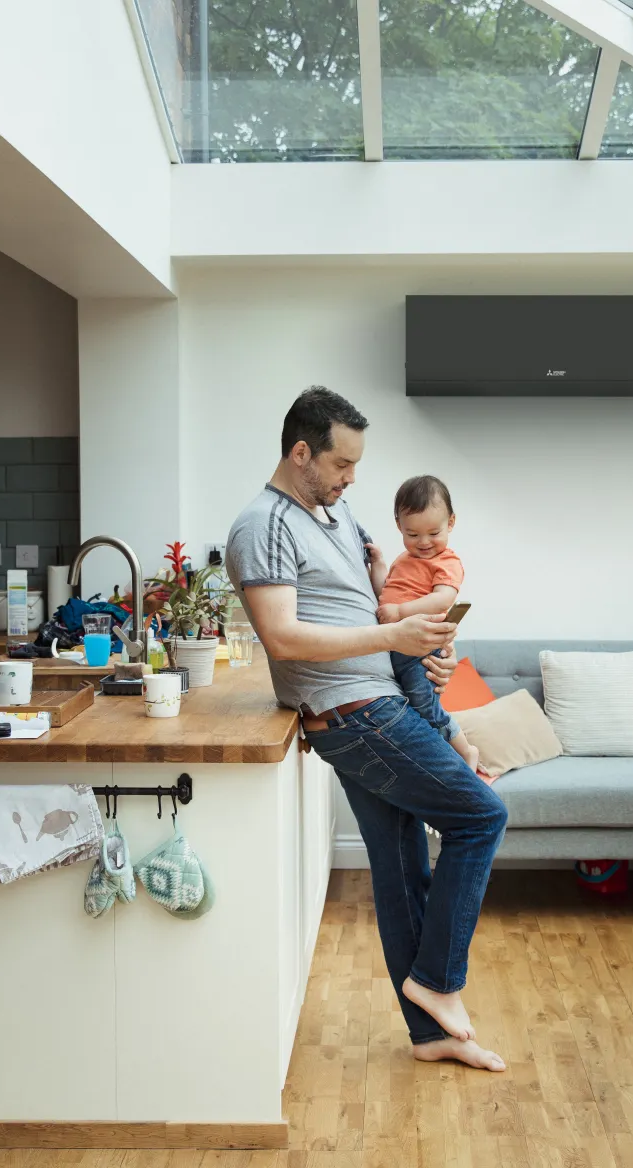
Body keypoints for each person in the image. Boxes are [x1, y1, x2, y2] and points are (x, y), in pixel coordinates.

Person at [225, 386, 509, 1072]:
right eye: (342, 463)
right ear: (301, 454)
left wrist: (417, 648)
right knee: (481, 816)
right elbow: (283, 637)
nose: (353, 478)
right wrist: (392, 634)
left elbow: (378, 601)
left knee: (402, 864)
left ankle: (429, 1032)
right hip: (354, 715)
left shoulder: (335, 513)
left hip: (378, 700)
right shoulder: (263, 526)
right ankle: (437, 980)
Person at [366, 474, 480, 774]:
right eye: (412, 534)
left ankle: (465, 752)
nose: (424, 542)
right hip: (398, 646)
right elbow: (384, 598)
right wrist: (377, 566)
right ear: (399, 527)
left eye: (434, 532)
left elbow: (443, 599)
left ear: (451, 522)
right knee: (410, 710)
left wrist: (401, 611)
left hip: (423, 650)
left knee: (425, 707)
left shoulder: (447, 561)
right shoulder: (404, 560)